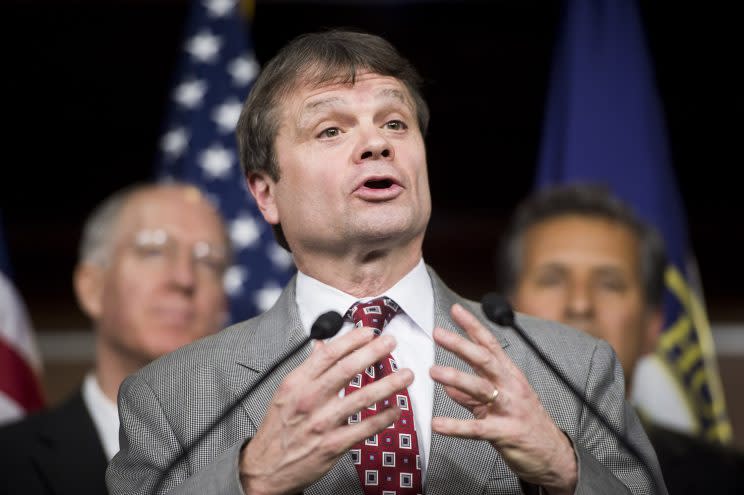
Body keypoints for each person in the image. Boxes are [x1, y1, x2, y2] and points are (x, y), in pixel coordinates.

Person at [107, 29, 666, 495]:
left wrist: (567, 471)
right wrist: (248, 478)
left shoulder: (572, 368)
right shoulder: (170, 395)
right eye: (331, 129)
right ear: (265, 193)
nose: (377, 145)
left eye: (395, 123)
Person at [497, 182, 744, 494]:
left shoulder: (726, 478)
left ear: (653, 327)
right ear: (503, 313)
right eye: (552, 279)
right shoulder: (443, 454)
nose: (580, 304)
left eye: (610, 284)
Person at [0, 182, 230, 495]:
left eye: (209, 261)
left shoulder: (266, 456)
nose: (184, 278)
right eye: (154, 251)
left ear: (223, 306)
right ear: (92, 288)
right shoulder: (8, 462)